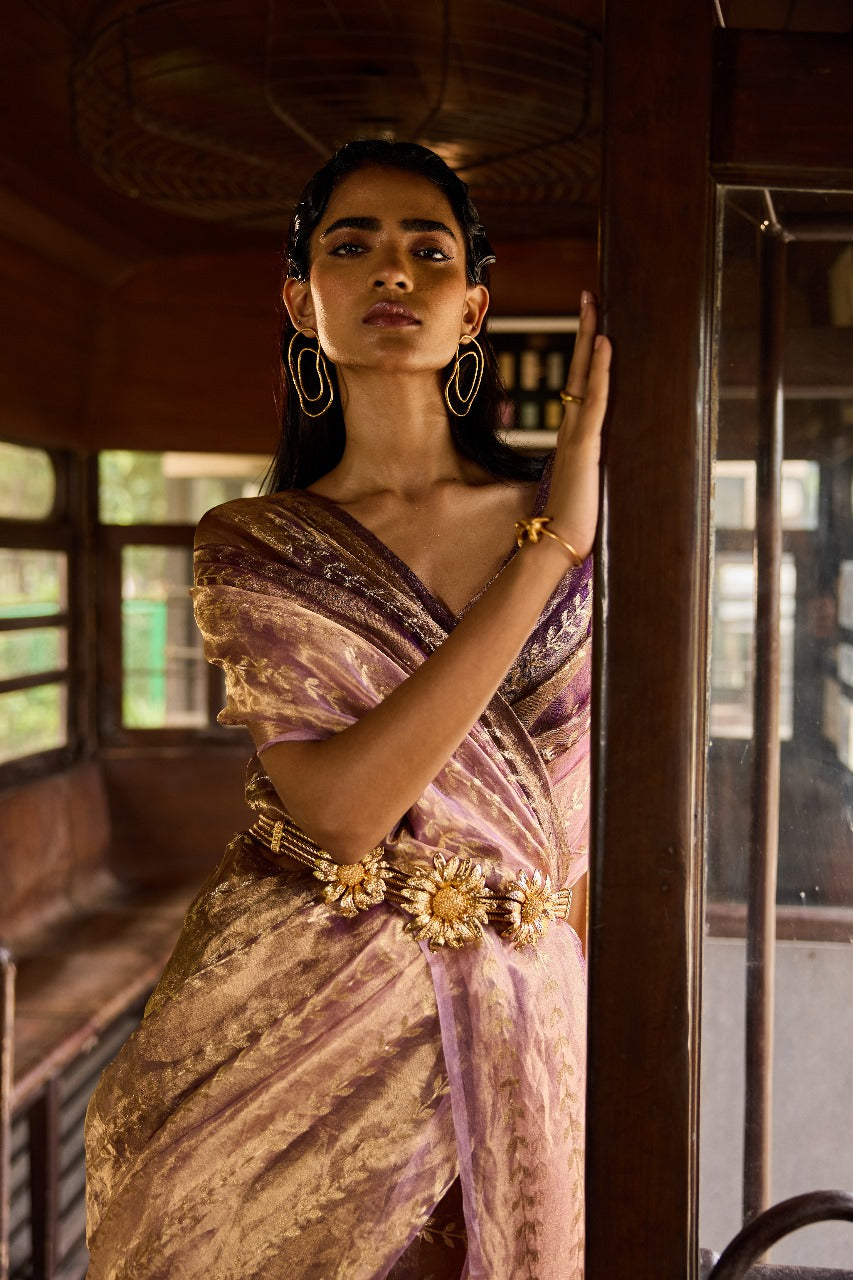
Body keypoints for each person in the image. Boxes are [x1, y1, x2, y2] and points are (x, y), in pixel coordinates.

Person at [84, 139, 610, 1280]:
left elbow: (587, 822)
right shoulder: (257, 543)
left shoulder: (587, 518)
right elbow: (340, 813)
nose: (392, 273)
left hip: (527, 1017)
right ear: (298, 297)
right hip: (293, 1025)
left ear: (472, 309)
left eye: (428, 251)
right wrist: (546, 553)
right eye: (351, 244)